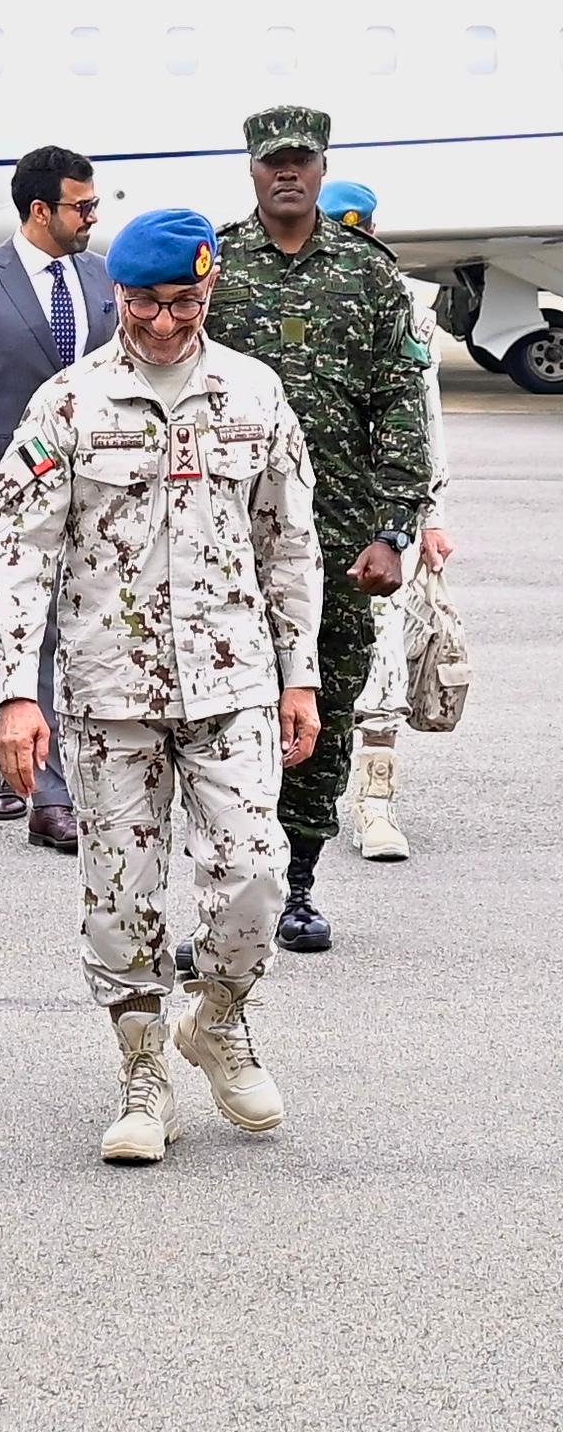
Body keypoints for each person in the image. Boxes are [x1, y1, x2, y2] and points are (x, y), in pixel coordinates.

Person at [0, 209, 322, 1165]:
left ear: (210, 291)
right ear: (117, 296)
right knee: (121, 895)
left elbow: (290, 545)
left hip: (233, 683)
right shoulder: (70, 402)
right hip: (110, 692)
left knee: (256, 871)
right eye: (145, 303)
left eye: (184, 302)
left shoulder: (254, 392)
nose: (165, 323)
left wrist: (300, 677)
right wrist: (17, 693)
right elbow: (18, 551)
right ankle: (142, 1071)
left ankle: (216, 1019)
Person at [202, 108, 431, 952]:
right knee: (220, 711)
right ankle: (227, 892)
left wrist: (394, 530)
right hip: (223, 533)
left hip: (337, 536)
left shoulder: (367, 274)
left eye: (301, 160)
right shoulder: (216, 265)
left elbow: (399, 403)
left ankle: (296, 884)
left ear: (324, 167)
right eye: (273, 162)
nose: (287, 174)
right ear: (252, 170)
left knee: (323, 710)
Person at [0, 146, 117, 853]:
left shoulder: (104, 277)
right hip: (6, 490)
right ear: (41, 210)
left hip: (102, 489)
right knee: (16, 627)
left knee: (93, 624)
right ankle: (44, 787)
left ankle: (65, 764)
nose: (93, 217)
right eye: (82, 206)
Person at [315, 178, 456, 860]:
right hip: (296, 516)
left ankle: (375, 806)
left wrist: (431, 515)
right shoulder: (274, 300)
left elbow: (426, 420)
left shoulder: (404, 313)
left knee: (384, 670)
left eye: (358, 233)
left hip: (382, 521)